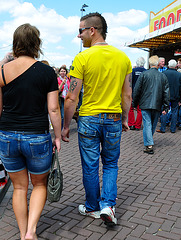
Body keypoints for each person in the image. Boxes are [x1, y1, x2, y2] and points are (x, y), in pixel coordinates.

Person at [61, 12, 132, 226]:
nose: (79, 36)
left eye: (80, 31)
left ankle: (92, 206)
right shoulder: (123, 58)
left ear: (92, 30)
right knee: (110, 164)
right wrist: (126, 119)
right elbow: (127, 95)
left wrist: (65, 127)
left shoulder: (82, 58)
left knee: (90, 166)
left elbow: (71, 97)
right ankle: (108, 206)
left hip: (89, 118)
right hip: (113, 118)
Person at [0, 23, 61, 240]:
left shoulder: (2, 71)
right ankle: (31, 232)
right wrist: (57, 135)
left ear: (15, 43)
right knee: (39, 184)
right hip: (36, 135)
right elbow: (53, 108)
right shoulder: (46, 72)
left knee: (18, 187)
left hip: (7, 134)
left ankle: (22, 230)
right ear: (37, 43)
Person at [133, 55, 169, 154]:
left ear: (149, 64)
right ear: (157, 64)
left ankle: (149, 144)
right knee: (152, 124)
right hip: (157, 104)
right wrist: (166, 106)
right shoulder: (162, 76)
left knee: (147, 124)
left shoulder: (144, 74)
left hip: (145, 103)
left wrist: (134, 103)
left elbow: (137, 90)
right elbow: (166, 92)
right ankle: (149, 142)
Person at [157, 59, 181, 133]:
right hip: (176, 96)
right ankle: (173, 129)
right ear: (175, 66)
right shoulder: (179, 75)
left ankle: (163, 128)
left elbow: (160, 86)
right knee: (174, 112)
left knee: (164, 111)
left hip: (165, 96)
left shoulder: (163, 73)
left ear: (168, 65)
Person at [128, 57, 146, 130]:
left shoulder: (133, 71)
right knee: (140, 110)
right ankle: (138, 126)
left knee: (131, 109)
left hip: (133, 93)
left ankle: (131, 124)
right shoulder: (145, 71)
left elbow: (130, 82)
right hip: (142, 94)